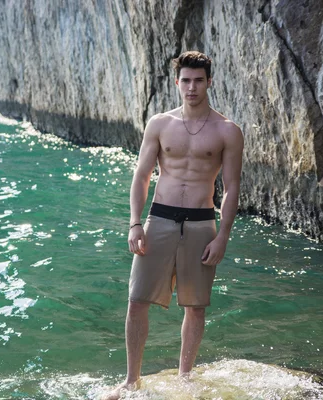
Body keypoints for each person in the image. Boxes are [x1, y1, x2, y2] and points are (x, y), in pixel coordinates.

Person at [102, 51, 243, 400]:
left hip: (200, 223)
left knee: (195, 306)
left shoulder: (228, 131)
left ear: (210, 82)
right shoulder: (160, 124)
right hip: (160, 217)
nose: (191, 87)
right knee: (137, 300)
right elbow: (141, 175)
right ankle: (131, 380)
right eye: (185, 80)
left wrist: (223, 235)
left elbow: (232, 187)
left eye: (198, 80)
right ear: (177, 82)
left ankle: (184, 378)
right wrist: (135, 223)